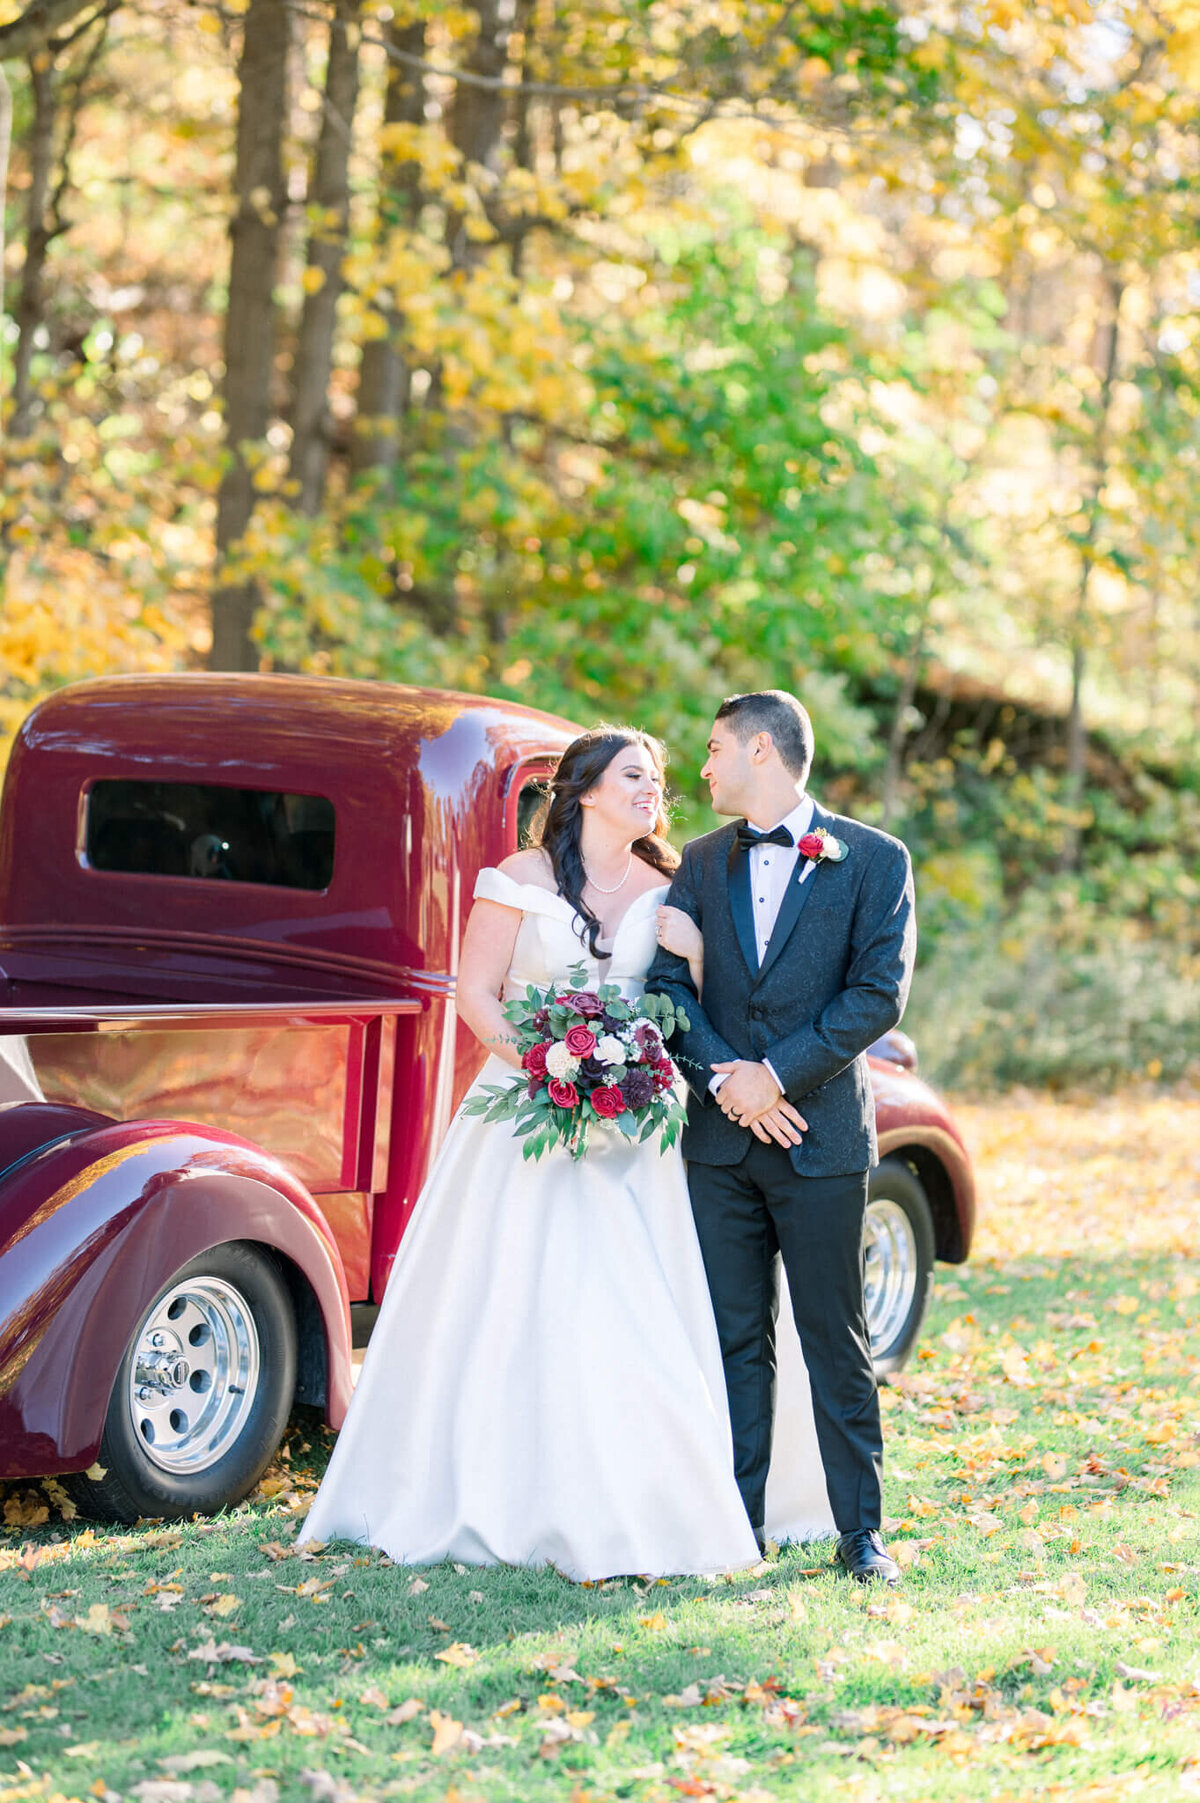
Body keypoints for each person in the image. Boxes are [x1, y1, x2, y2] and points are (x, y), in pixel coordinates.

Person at [300, 725, 834, 1579]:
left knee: (634, 1305)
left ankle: (645, 1495)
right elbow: (473, 993)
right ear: (584, 789)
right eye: (635, 775)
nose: (653, 789)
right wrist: (553, 1068)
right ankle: (497, 1490)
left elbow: (692, 1002)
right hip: (522, 1116)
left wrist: (689, 967)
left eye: (658, 778)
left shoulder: (672, 885)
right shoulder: (519, 879)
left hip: (637, 1132)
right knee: (509, 1299)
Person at [646, 690, 916, 1586]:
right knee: (733, 1336)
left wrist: (778, 1075)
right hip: (720, 1146)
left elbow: (877, 995)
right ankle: (737, 1523)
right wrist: (730, 1079)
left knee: (834, 1335)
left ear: (762, 750)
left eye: (716, 747)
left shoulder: (876, 860)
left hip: (821, 1138)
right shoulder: (696, 862)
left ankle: (861, 1531)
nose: (705, 767)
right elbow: (667, 990)